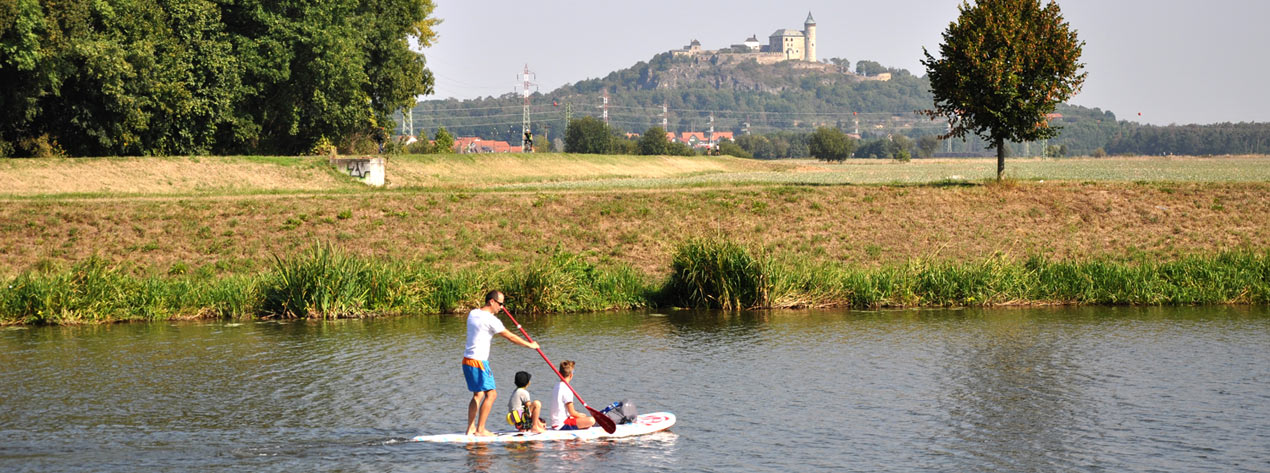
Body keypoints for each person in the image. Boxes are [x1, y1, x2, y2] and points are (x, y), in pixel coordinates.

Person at [463, 290, 538, 437]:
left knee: (478, 395)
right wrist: (530, 345)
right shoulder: (491, 320)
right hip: (479, 362)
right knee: (492, 395)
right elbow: (510, 336)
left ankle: (471, 428)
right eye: (500, 304)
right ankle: (481, 430)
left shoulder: (473, 313)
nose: (502, 308)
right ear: (491, 301)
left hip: (466, 361)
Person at [548, 360, 596, 430]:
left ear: (559, 373)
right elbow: (572, 412)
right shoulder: (567, 389)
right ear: (571, 375)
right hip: (562, 424)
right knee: (591, 420)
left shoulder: (556, 385)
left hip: (555, 422)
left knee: (583, 417)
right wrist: (580, 415)